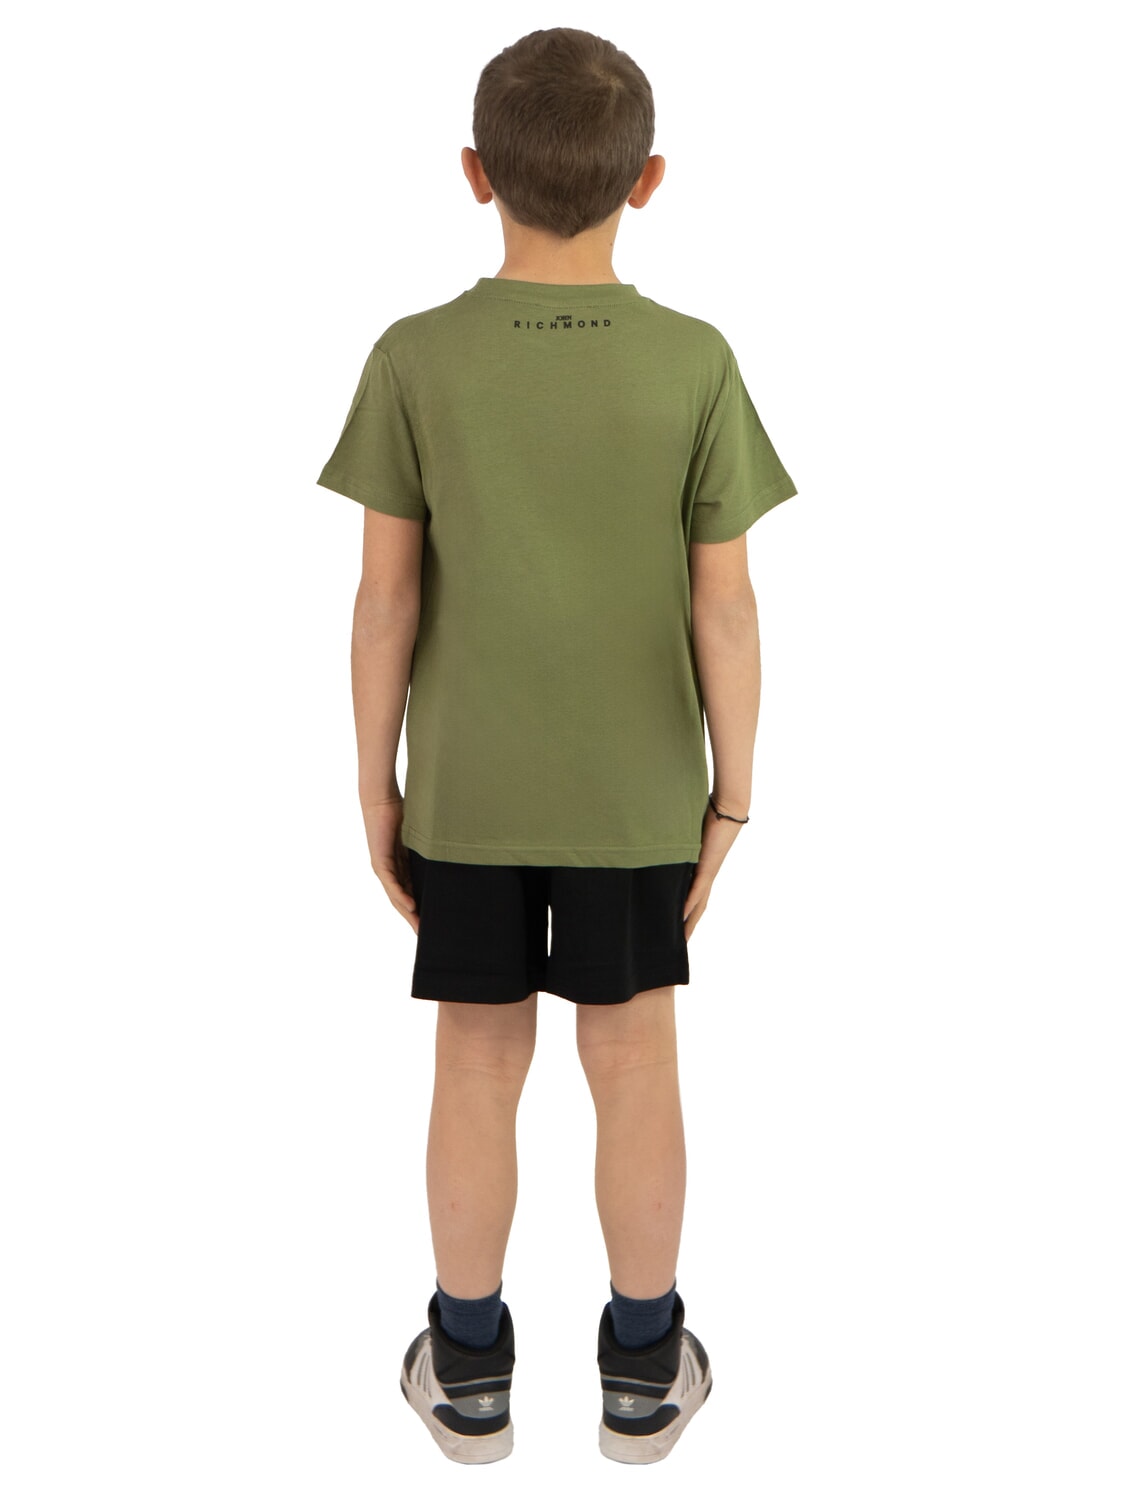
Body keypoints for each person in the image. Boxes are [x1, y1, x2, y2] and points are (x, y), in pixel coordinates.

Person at [315, 26, 798, 1466]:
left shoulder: (414, 357)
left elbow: (384, 599)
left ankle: (467, 1369)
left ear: (475, 174)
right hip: (638, 797)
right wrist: (730, 801)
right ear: (647, 181)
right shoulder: (695, 361)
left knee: (475, 1063)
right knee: (634, 1061)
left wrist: (375, 787)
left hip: (467, 792)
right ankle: (643, 1369)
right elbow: (728, 607)